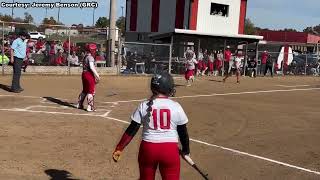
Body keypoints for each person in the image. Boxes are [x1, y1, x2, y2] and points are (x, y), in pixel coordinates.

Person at [112, 72, 191, 180]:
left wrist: (119, 148)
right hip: (170, 151)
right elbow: (183, 133)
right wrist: (186, 150)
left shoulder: (144, 105)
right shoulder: (176, 106)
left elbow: (132, 130)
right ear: (168, 88)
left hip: (148, 149)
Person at [77, 44, 100, 112]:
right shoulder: (90, 57)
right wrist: (97, 75)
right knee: (91, 91)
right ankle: (90, 107)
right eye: (94, 50)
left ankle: (79, 104)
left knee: (85, 90)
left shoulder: (85, 56)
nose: (95, 51)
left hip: (84, 74)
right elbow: (92, 67)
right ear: (92, 50)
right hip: (89, 75)